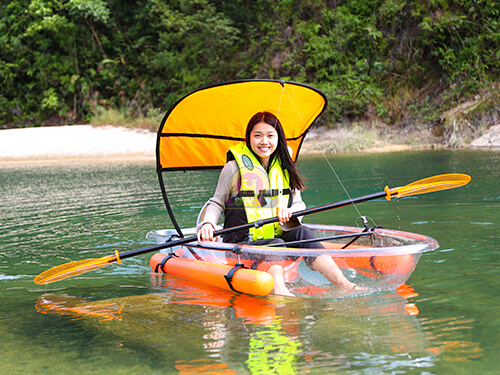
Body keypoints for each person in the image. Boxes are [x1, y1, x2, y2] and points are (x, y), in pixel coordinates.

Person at [197, 111, 360, 296]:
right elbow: (216, 203)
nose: (264, 141)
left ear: (278, 138)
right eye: (257, 135)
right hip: (243, 245)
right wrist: (208, 223)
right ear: (249, 138)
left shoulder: (286, 167)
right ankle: (281, 292)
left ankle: (345, 285)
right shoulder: (233, 168)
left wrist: (290, 212)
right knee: (275, 244)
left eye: (270, 135)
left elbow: (299, 204)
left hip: (278, 239)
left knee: (303, 233)